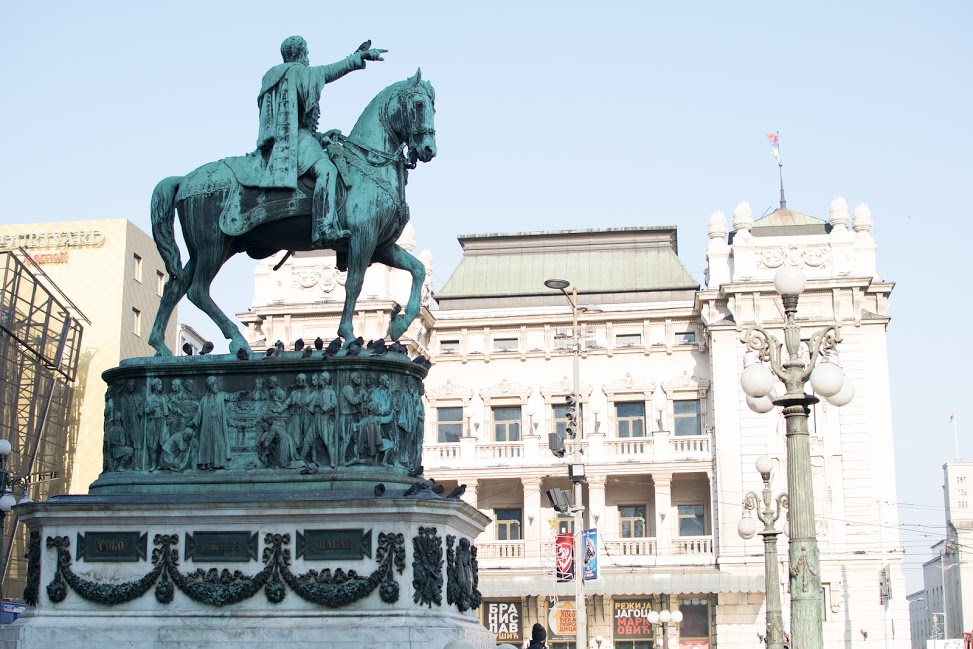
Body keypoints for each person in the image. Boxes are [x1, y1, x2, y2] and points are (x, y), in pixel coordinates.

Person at [246, 35, 386, 246]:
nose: (309, 57)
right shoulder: (297, 72)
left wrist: (320, 137)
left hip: (286, 141)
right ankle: (324, 227)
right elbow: (328, 72)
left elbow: (289, 121)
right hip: (297, 141)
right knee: (327, 171)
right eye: (307, 53)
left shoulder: (272, 77)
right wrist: (357, 58)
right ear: (300, 54)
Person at [192, 376, 230, 470]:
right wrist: (192, 423)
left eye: (217, 384)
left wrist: (240, 394)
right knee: (207, 444)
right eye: (215, 385)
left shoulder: (221, 396)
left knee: (219, 442)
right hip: (207, 425)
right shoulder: (204, 399)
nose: (217, 386)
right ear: (210, 387)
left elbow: (231, 396)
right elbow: (199, 413)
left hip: (218, 423)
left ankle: (219, 463)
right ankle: (207, 463)